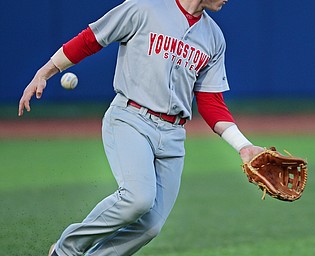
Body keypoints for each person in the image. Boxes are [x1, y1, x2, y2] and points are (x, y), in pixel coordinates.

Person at [18, 0, 264, 255]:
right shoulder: (145, 7)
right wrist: (44, 73)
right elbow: (92, 38)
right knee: (137, 199)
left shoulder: (214, 37)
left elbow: (211, 102)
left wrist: (243, 146)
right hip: (131, 118)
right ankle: (65, 250)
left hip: (173, 136)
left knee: (150, 226)